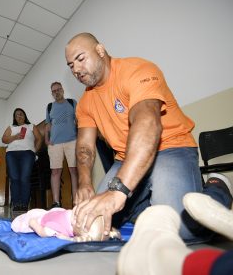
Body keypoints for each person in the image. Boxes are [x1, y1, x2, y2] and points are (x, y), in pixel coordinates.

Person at [64, 32, 232, 242]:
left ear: (100, 50)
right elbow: (85, 148)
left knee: (182, 230)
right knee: (98, 217)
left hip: (171, 148)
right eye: (71, 65)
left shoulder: (138, 70)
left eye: (80, 59)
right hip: (125, 158)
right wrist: (85, 183)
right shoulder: (85, 103)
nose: (77, 70)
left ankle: (218, 187)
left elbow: (148, 125)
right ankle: (152, 207)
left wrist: (118, 190)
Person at [117, 187, 233, 275]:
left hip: (172, 154)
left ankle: (168, 261)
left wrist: (119, 188)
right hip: (121, 162)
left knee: (186, 229)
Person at [45, 82, 78, 208]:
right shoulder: (49, 107)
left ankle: (76, 201)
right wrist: (46, 140)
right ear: (52, 94)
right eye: (54, 91)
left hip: (72, 141)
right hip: (54, 144)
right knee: (55, 172)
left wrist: (80, 137)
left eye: (58, 89)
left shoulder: (72, 102)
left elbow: (79, 120)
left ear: (63, 90)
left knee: (74, 170)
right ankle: (56, 202)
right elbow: (48, 125)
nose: (57, 92)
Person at [2, 108, 42, 212]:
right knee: (14, 178)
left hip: (27, 154)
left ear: (24, 115)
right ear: (14, 118)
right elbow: (4, 139)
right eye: (16, 115)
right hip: (11, 154)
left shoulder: (31, 126)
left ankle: (24, 204)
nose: (19, 116)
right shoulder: (11, 127)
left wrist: (34, 151)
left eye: (21, 114)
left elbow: (39, 139)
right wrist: (15, 137)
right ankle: (16, 203)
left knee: (25, 178)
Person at [11, 207, 120, 242]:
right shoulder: (73, 214)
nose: (79, 215)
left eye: (80, 221)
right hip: (52, 212)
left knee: (16, 225)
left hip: (40, 219)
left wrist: (34, 224)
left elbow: (43, 232)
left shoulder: (59, 227)